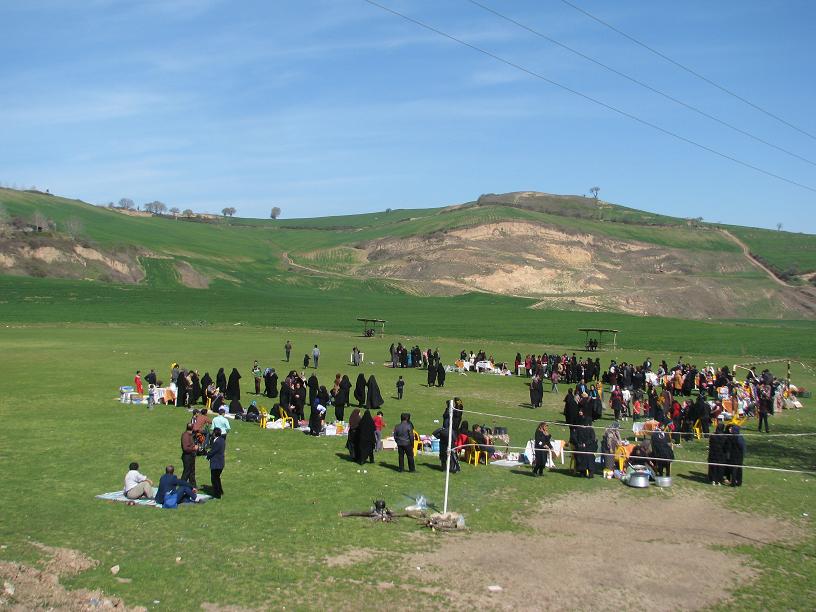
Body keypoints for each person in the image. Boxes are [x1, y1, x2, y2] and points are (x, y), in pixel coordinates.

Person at [207, 428, 226, 498]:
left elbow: (213, 451)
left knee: (214, 479)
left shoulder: (217, 442)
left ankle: (217, 494)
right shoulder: (222, 440)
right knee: (217, 478)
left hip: (216, 463)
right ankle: (220, 491)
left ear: (215, 433)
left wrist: (207, 455)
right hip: (220, 462)